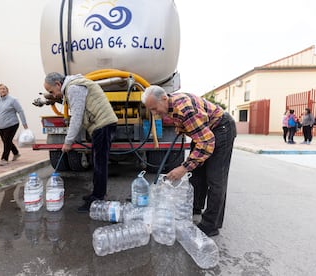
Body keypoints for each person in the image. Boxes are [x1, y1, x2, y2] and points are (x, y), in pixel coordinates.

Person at [141, 85, 236, 237]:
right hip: (204, 131)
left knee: (215, 179)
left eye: (154, 108)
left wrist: (183, 168)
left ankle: (211, 225)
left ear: (164, 98)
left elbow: (206, 142)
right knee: (197, 173)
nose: (154, 113)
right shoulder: (170, 104)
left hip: (221, 128)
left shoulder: (185, 110)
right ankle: (195, 207)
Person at [43, 72, 118, 212]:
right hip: (101, 125)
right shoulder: (74, 86)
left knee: (100, 163)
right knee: (97, 163)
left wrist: (68, 142)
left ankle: (98, 199)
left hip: (103, 125)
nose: (53, 95)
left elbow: (76, 117)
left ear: (58, 84)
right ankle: (96, 195)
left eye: (52, 91)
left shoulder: (73, 88)